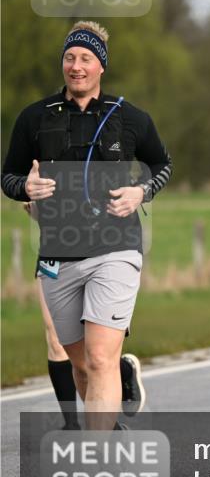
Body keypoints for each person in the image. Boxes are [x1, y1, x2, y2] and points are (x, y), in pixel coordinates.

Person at [2, 21, 171, 429]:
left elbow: (161, 164)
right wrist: (25, 186)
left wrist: (141, 193)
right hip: (58, 255)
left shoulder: (128, 118)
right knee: (81, 365)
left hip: (116, 247)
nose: (76, 66)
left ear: (100, 67)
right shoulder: (34, 119)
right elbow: (7, 178)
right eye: (70, 57)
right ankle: (113, 407)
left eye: (86, 58)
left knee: (99, 358)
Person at [22, 203, 145, 430]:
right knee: (56, 339)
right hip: (55, 253)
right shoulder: (41, 168)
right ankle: (74, 423)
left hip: (103, 251)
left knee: (96, 356)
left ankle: (122, 372)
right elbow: (19, 187)